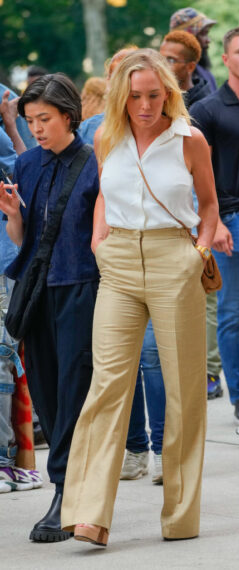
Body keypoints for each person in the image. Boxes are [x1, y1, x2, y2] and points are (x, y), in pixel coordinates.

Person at [61, 48, 218, 547]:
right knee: (107, 384)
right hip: (120, 263)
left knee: (183, 390)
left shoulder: (190, 140)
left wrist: (200, 251)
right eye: (135, 97)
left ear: (169, 93)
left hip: (176, 259)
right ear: (119, 98)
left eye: (154, 95)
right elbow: (106, 191)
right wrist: (99, 239)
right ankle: (89, 513)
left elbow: (209, 205)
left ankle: (180, 516)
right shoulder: (108, 136)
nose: (145, 106)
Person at [0, 73, 100, 542]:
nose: (37, 128)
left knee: (74, 390)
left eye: (45, 119)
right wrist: (14, 215)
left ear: (68, 115)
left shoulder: (96, 163)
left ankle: (66, 492)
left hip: (83, 287)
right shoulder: (25, 165)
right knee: (45, 392)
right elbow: (23, 242)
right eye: (30, 120)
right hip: (37, 292)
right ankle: (68, 489)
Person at [191, 26, 239, 425]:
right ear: (226, 59)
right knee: (232, 314)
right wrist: (213, 221)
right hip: (232, 221)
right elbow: (194, 172)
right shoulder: (208, 109)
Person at [169, 7, 217, 93]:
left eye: (207, 33)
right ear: (189, 40)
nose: (208, 40)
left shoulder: (205, 72)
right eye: (203, 34)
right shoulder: (176, 77)